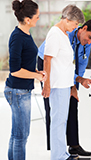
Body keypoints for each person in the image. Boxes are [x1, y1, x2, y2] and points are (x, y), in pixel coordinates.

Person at [38, 19, 91, 156]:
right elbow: (59, 63)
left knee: (72, 103)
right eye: (89, 37)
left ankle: (73, 146)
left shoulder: (86, 44)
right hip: (47, 63)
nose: (89, 42)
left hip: (69, 71)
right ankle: (56, 149)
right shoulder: (66, 34)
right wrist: (72, 83)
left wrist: (77, 84)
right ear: (83, 28)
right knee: (54, 108)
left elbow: (81, 66)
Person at [4, 0, 46, 160]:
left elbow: (23, 63)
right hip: (18, 91)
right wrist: (36, 76)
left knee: (16, 135)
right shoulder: (17, 37)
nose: (38, 19)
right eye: (37, 16)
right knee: (21, 136)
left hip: (21, 89)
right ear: (27, 19)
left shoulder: (25, 34)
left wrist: (36, 71)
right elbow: (15, 70)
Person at [41, 5, 85, 160]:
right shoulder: (54, 33)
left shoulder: (63, 34)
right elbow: (47, 58)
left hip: (64, 85)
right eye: (75, 24)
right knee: (58, 121)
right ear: (67, 19)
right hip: (57, 85)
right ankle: (58, 157)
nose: (75, 27)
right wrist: (46, 84)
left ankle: (62, 154)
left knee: (61, 121)